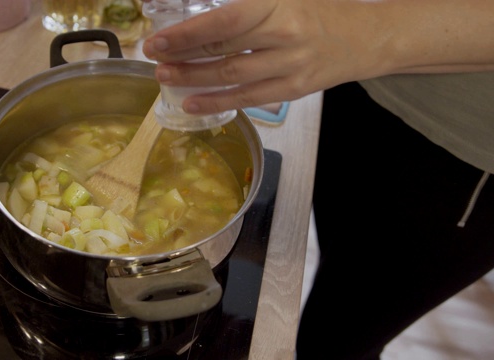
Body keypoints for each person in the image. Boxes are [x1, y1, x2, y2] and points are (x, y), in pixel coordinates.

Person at [140, 0, 494, 359]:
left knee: (337, 339)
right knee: (340, 266)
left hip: (465, 156)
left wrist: (364, 30)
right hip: (355, 79)